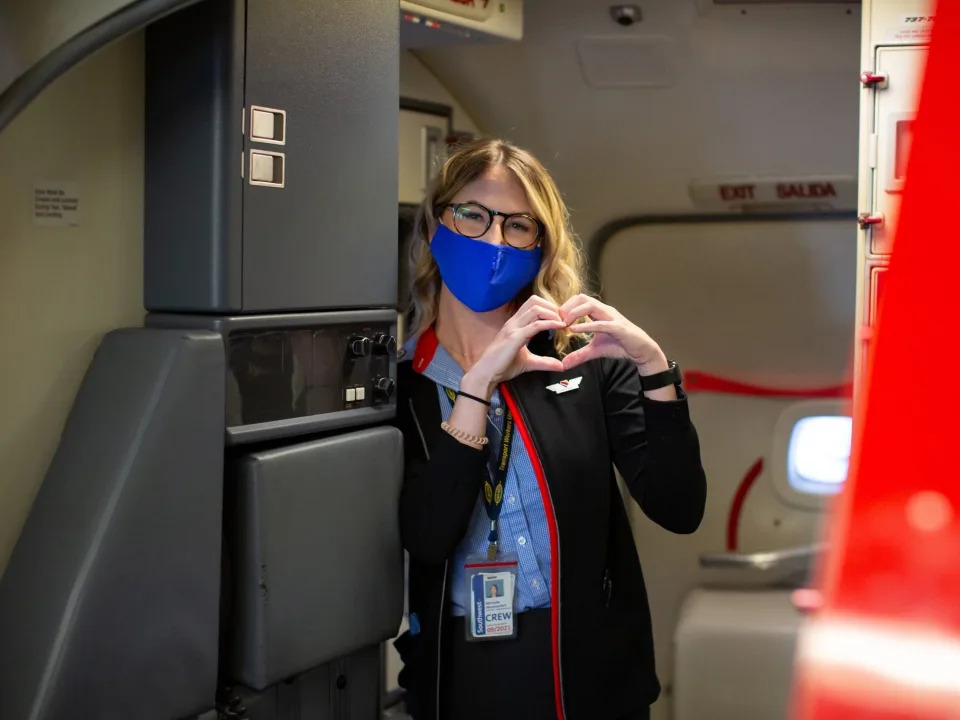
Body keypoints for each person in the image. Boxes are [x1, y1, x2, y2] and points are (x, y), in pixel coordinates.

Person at [392, 138, 707, 720]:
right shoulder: (401, 382)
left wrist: (655, 370)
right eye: (473, 215)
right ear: (437, 225)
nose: (493, 240)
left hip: (587, 663)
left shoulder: (580, 360)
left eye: (518, 226)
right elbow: (429, 536)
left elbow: (679, 507)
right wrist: (477, 386)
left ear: (540, 246)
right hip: (464, 666)